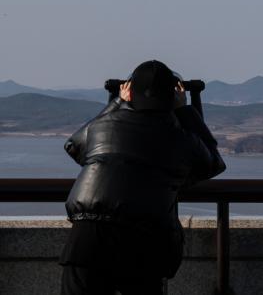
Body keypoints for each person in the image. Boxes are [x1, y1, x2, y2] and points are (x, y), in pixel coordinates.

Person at [60, 60, 226, 295]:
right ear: (172, 97)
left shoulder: (103, 127)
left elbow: (74, 145)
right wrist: (185, 111)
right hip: (145, 241)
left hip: (87, 239)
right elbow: (213, 163)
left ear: (130, 92)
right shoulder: (180, 139)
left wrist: (117, 103)